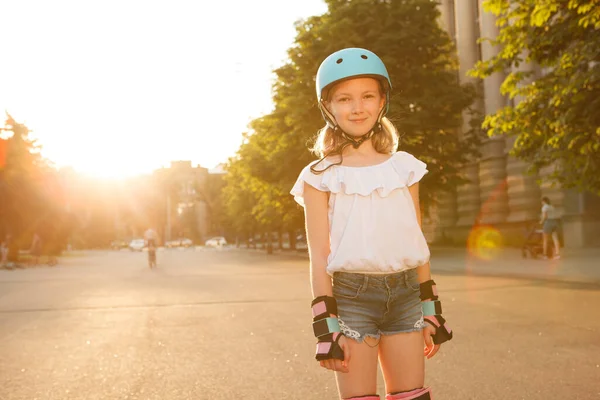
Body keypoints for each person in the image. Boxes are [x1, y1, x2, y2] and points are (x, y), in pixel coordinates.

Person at [290, 48, 453, 400]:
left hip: (407, 295)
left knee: (412, 396)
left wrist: (431, 310)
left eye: (367, 96)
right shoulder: (319, 176)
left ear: (382, 102)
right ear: (328, 107)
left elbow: (416, 241)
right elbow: (320, 256)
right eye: (344, 99)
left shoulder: (404, 167)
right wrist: (325, 326)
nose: (357, 107)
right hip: (351, 299)